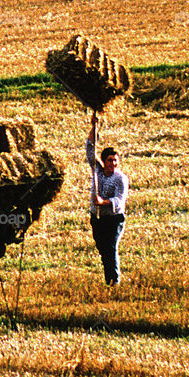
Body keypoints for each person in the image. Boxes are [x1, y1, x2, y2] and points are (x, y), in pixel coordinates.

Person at [86, 113, 129, 285]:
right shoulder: (97, 170)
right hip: (97, 218)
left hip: (114, 220)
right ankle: (109, 280)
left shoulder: (121, 178)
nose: (113, 164)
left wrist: (102, 202)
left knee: (111, 249)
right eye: (110, 161)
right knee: (103, 250)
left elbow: (119, 201)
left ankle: (114, 282)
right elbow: (90, 148)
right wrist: (94, 127)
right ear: (103, 161)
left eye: (116, 161)